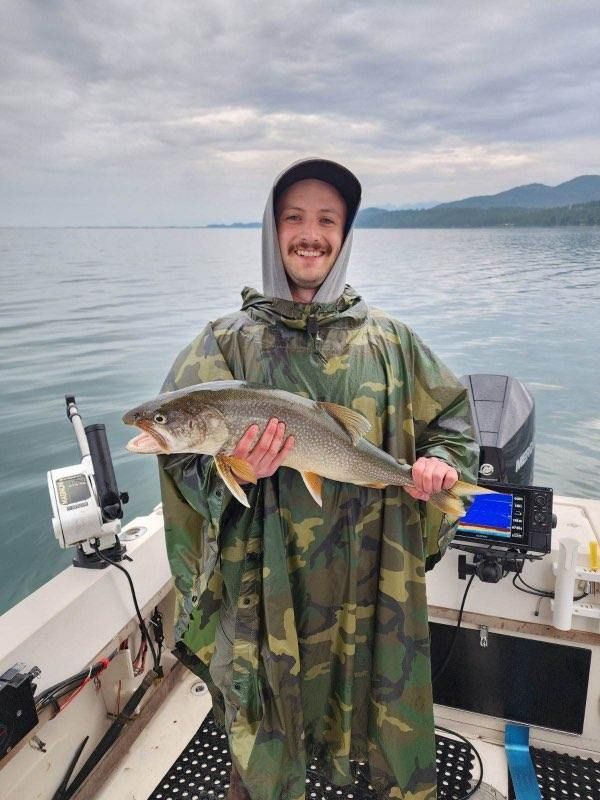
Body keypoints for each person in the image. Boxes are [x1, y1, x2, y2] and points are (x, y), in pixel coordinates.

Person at [158, 158, 479, 800]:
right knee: (262, 741)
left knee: (376, 720)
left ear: (346, 233)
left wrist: (440, 462)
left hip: (372, 581)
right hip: (264, 588)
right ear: (272, 231)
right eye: (294, 218)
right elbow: (180, 464)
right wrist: (238, 467)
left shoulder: (392, 342)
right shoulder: (223, 344)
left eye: (327, 220)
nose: (311, 234)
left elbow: (450, 420)